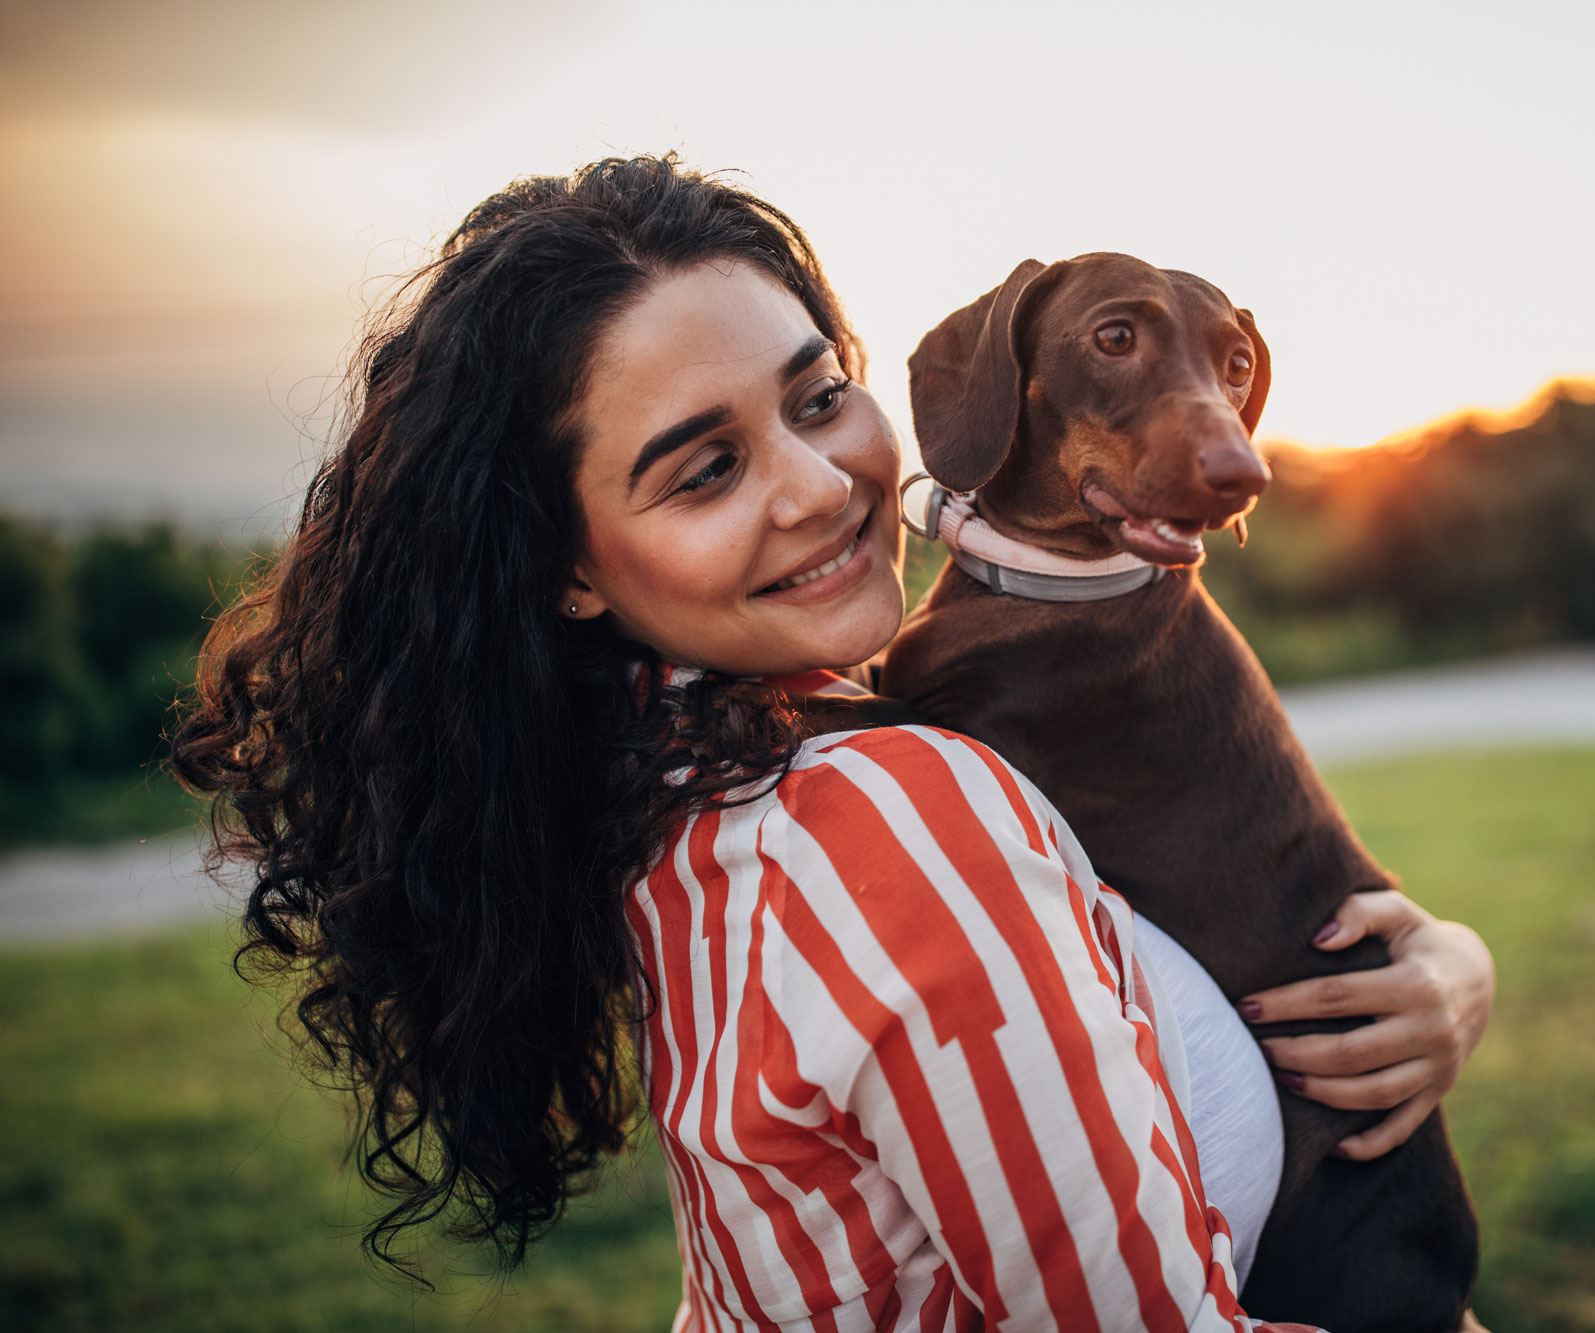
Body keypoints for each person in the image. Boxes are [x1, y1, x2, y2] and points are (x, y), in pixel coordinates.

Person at [174, 155, 1494, 1330]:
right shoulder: (908, 816)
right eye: (704, 469)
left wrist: (1443, 954)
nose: (818, 488)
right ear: (568, 565)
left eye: (816, 401)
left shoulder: (671, 801)